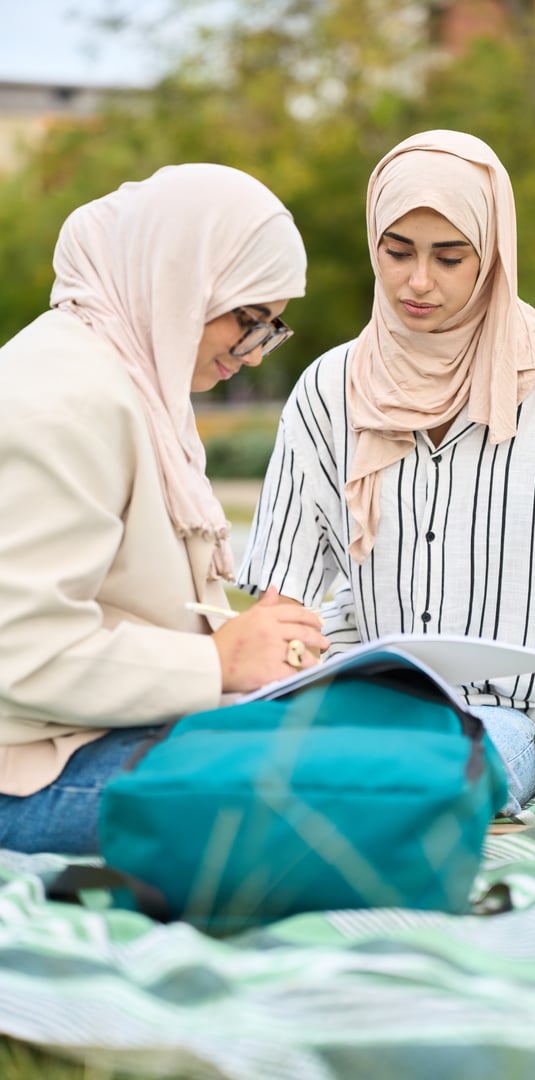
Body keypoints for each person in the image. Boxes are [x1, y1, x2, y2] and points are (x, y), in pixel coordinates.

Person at [237, 129, 535, 814]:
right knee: (259, 776)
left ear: (490, 255)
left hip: (515, 723)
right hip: (366, 702)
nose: (417, 281)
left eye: (449, 257)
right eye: (396, 252)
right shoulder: (327, 389)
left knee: (433, 781)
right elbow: (285, 598)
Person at [0, 163, 328, 854]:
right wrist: (220, 662)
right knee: (347, 787)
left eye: (271, 327)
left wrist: (250, 642)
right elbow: (18, 652)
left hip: (95, 740)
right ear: (183, 276)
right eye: (248, 319)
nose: (252, 352)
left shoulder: (134, 385)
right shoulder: (62, 400)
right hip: (29, 776)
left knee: (387, 741)